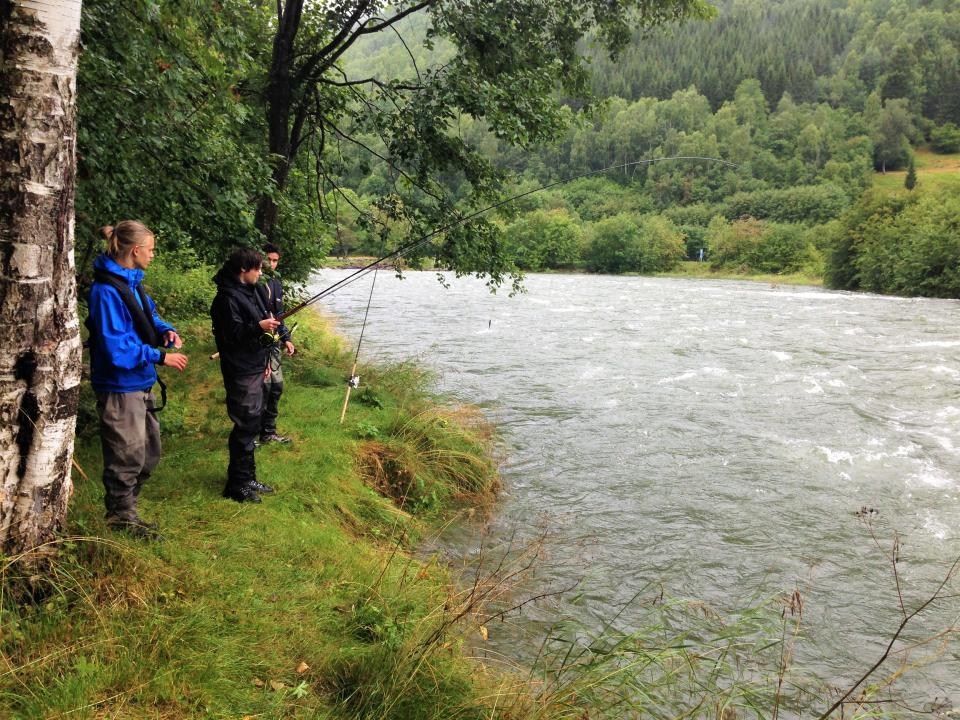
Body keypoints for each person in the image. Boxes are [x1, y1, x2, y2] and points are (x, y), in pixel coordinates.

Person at [87, 221, 188, 540]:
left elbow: (149, 316)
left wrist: (164, 331)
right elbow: (116, 347)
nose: (153, 255)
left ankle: (128, 510)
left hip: (140, 382)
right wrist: (160, 356)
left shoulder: (131, 282)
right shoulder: (105, 291)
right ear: (135, 251)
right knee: (126, 455)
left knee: (148, 454)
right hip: (119, 387)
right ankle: (121, 518)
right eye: (151, 249)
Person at [210, 247, 280, 503]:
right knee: (245, 424)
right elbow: (232, 336)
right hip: (239, 368)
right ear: (243, 270)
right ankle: (236, 485)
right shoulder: (226, 299)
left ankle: (247, 477)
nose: (261, 272)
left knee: (253, 421)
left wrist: (267, 333)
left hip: (254, 363)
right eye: (258, 268)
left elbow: (256, 327)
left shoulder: (250, 292)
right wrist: (257, 327)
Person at [259, 243, 295, 445]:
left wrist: (287, 339)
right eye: (268, 260)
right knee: (261, 389)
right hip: (256, 343)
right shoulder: (252, 283)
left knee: (276, 387)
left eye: (275, 260)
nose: (271, 264)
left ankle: (269, 432)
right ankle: (253, 432)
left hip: (274, 343)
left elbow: (279, 316)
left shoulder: (276, 283)